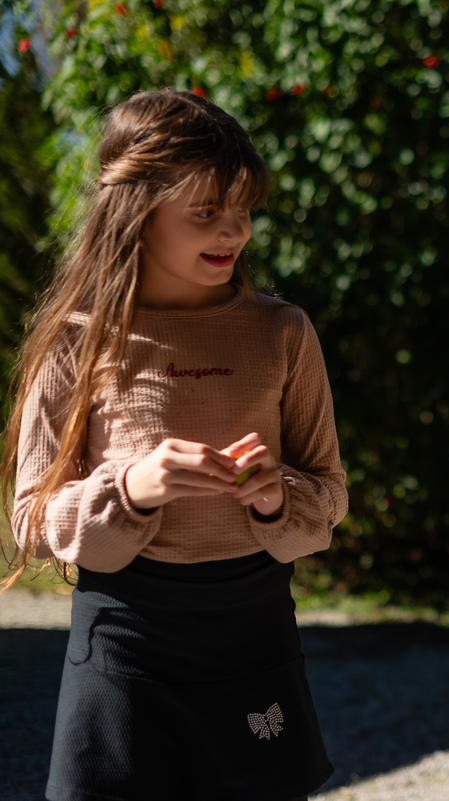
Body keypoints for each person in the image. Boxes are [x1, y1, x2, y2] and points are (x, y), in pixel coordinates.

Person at [1, 89, 347, 801]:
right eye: (206, 212)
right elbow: (31, 518)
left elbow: (330, 493)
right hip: (122, 643)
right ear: (135, 211)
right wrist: (128, 490)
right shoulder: (75, 339)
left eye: (243, 210)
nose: (234, 232)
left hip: (253, 633)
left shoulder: (283, 331)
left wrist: (279, 493)